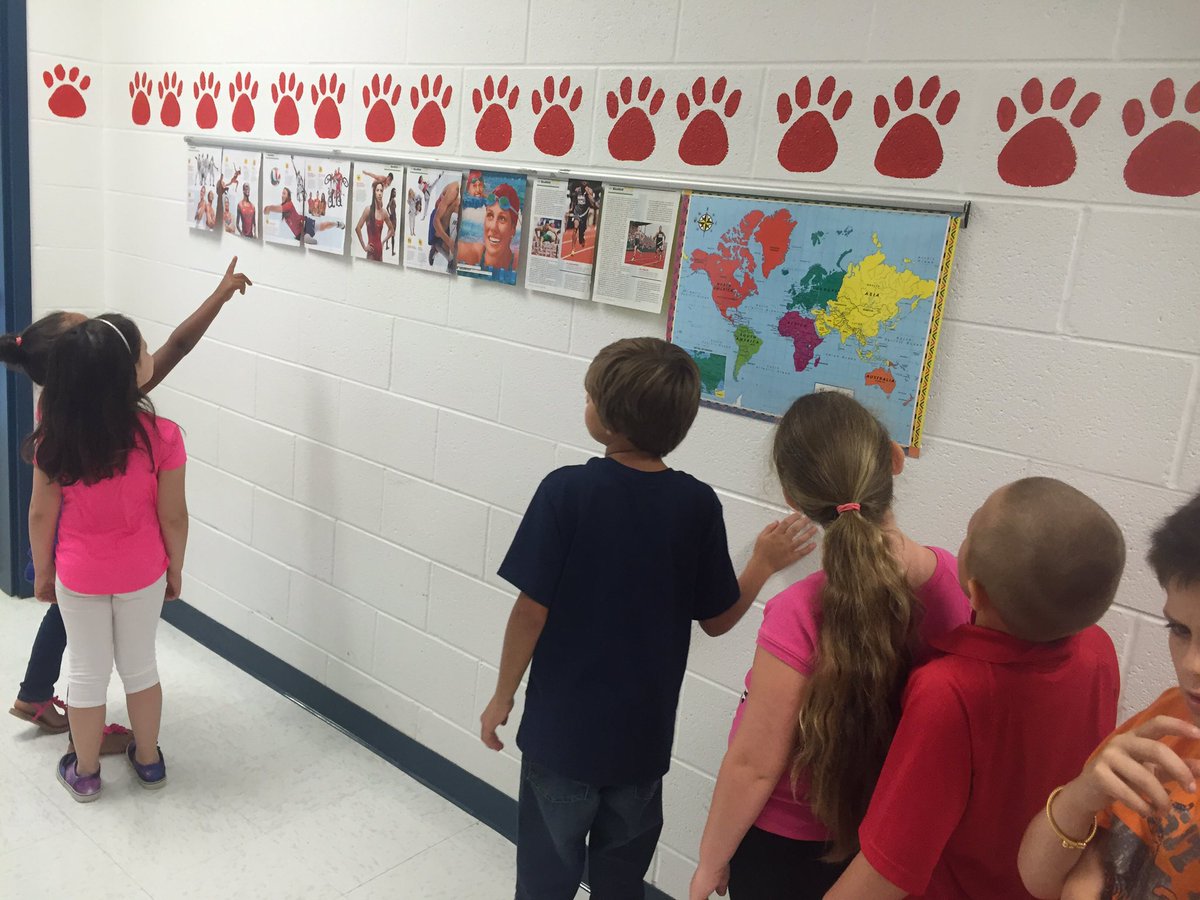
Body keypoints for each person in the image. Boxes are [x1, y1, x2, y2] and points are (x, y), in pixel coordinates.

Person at [479, 337, 818, 900]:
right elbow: (716, 620)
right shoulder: (696, 504)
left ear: (607, 419)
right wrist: (760, 564)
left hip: (560, 743)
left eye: (590, 396)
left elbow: (529, 611)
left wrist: (502, 696)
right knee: (621, 881)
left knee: (546, 880)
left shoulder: (566, 492)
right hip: (640, 748)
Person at [689, 392, 972, 900]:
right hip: (884, 847)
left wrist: (710, 861)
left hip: (787, 847)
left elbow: (755, 765)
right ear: (894, 459)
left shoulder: (798, 612)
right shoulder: (954, 582)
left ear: (794, 500)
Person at [824, 477, 1125, 900]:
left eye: (969, 531)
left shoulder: (948, 691)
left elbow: (888, 869)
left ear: (975, 591)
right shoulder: (1100, 648)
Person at [3, 258, 251, 754]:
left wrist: (219, 297)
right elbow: (175, 349)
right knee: (111, 654)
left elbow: (40, 511)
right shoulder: (121, 406)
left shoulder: (58, 410)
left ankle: (48, 711)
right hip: (101, 552)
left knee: (75, 634)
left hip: (71, 547)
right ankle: (121, 742)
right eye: (90, 332)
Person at [26, 314, 188, 802]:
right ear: (126, 374)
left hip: (80, 575)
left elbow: (40, 514)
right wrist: (174, 568)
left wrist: (43, 571)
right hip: (143, 573)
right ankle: (149, 760)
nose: (149, 357)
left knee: (86, 672)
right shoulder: (164, 436)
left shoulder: (55, 439)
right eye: (142, 352)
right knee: (141, 668)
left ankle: (88, 771)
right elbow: (174, 517)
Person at [1018, 491, 1200, 899]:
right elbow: (1040, 879)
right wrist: (1081, 797)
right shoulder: (1170, 717)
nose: (1192, 665)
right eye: (1180, 630)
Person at [456, 182, 521, 276]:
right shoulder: (466, 254)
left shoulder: (519, 264)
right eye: (490, 215)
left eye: (502, 219)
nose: (493, 227)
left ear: (513, 229)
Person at [264, 187, 342, 246]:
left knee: (322, 226)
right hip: (299, 234)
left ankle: (337, 224)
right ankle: (336, 224)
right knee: (321, 227)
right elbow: (278, 208)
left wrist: (269, 208)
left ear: (288, 196)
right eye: (282, 193)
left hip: (305, 225)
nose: (282, 195)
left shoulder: (289, 205)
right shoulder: (284, 205)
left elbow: (277, 208)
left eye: (284, 193)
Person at [355, 178, 395, 262]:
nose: (380, 193)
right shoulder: (368, 210)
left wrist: (383, 241)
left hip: (380, 251)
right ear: (374, 192)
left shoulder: (384, 212)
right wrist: (364, 247)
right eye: (377, 190)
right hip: (371, 252)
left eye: (381, 191)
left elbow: (392, 229)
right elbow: (358, 228)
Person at [427, 178, 460, 270]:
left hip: (447, 219)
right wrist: (450, 242)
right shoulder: (453, 191)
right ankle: (437, 246)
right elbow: (435, 221)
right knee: (457, 204)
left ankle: (440, 247)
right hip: (437, 220)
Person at [568, 181, 598, 249]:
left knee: (582, 230)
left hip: (584, 212)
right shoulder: (577, 190)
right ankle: (573, 247)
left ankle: (582, 238)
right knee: (575, 227)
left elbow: (593, 202)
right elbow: (574, 200)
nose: (584, 183)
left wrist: (588, 194)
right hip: (577, 211)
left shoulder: (590, 190)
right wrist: (572, 207)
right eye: (583, 182)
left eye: (585, 182)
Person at [386, 188, 398, 256]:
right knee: (393, 234)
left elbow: (387, 207)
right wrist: (390, 214)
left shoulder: (391, 200)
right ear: (392, 193)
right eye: (394, 192)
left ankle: (387, 245)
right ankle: (392, 252)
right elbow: (387, 207)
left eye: (395, 192)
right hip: (393, 218)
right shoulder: (392, 200)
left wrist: (389, 214)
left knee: (389, 232)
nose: (395, 193)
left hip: (392, 218)